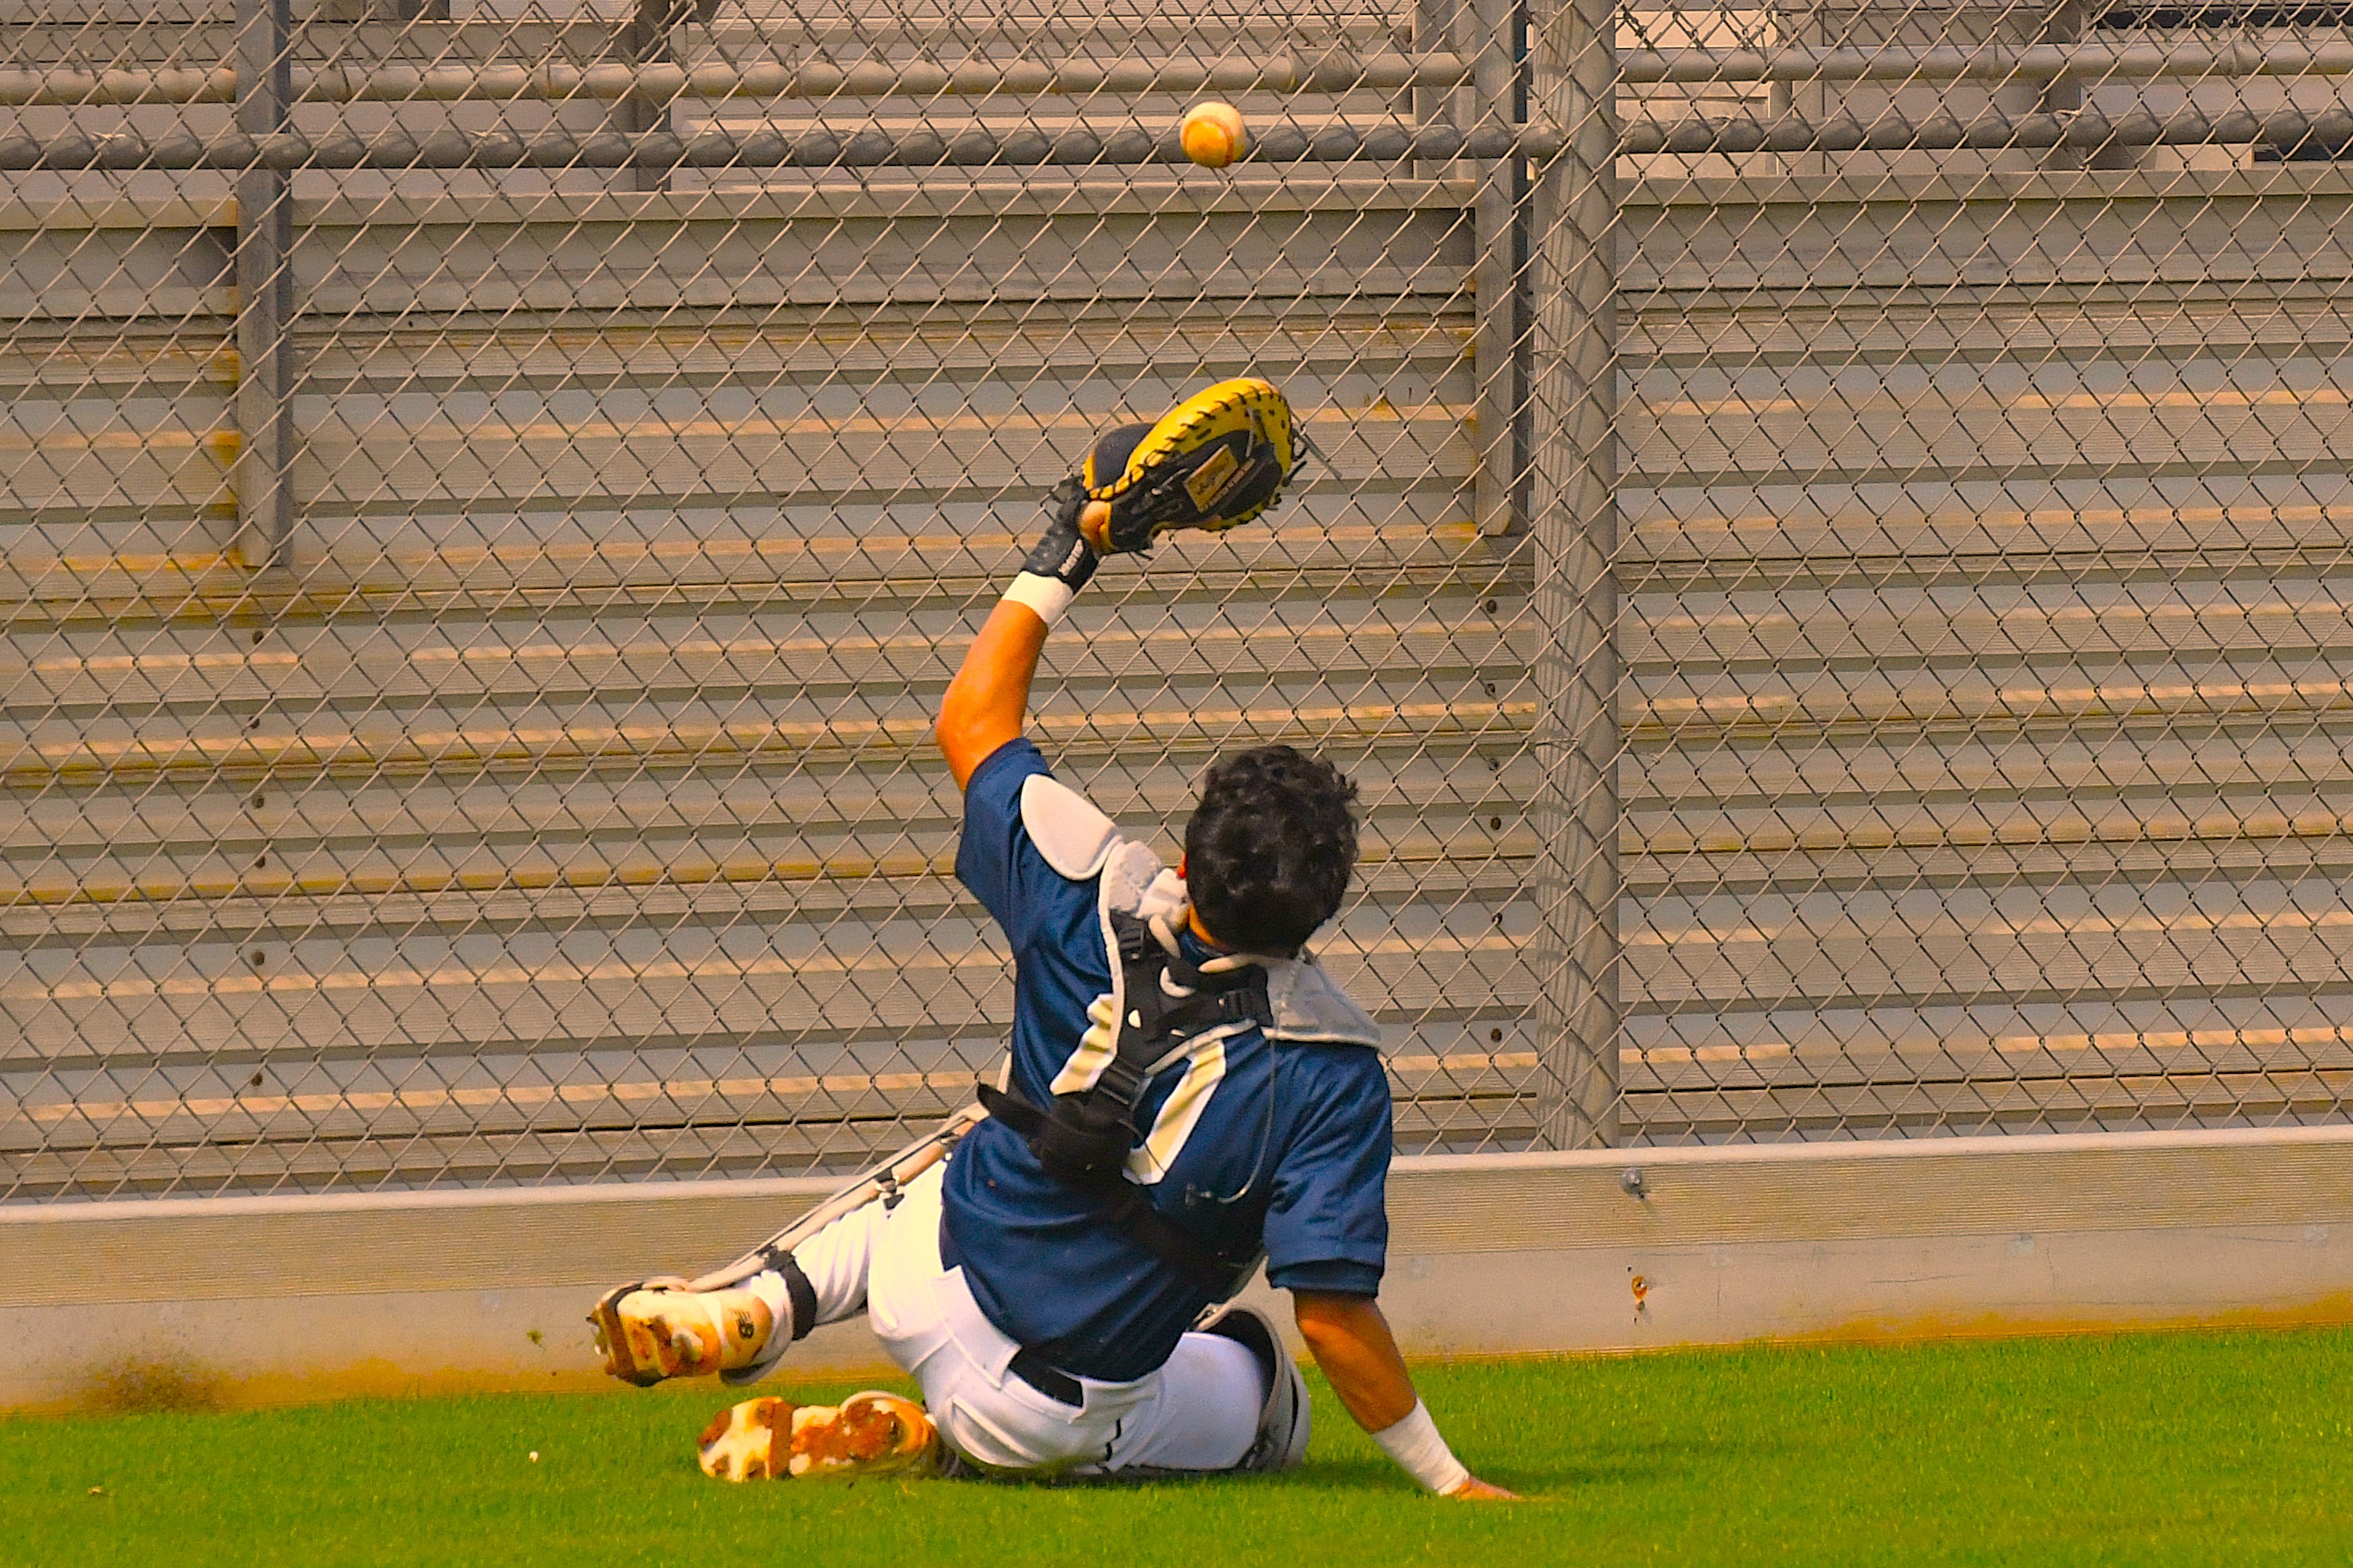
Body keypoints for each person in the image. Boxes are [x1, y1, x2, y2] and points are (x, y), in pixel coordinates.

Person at [592, 379, 1512, 1499]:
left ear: (1188, 858)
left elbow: (972, 720)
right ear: (1319, 913)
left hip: (924, 1270)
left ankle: (766, 1299)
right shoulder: (1337, 1071)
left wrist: (1067, 545)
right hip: (1048, 1410)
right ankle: (950, 1438)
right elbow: (1328, 1309)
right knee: (1270, 1387)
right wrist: (1449, 1480)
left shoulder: (1094, 880)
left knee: (973, 1137)